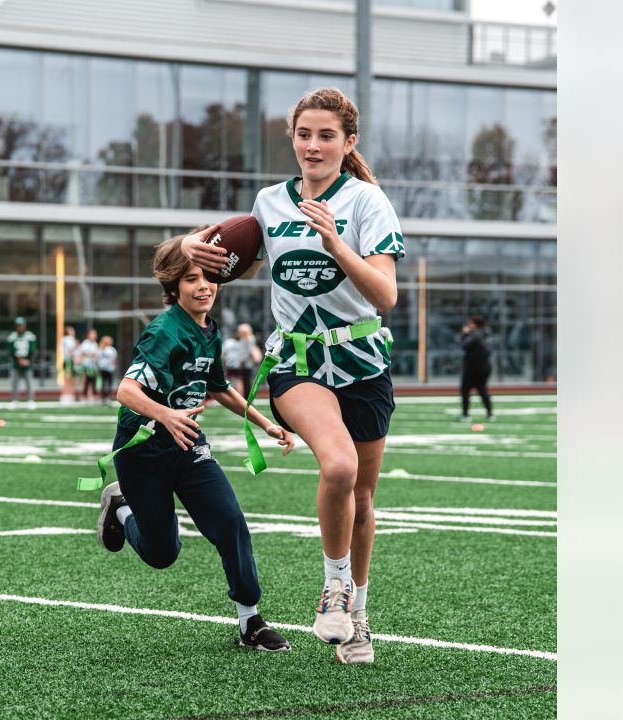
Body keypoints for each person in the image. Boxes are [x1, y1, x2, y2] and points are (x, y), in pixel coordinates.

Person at [182, 87, 403, 664]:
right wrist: (189, 248)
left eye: (326, 135)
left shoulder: (367, 202)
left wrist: (335, 243)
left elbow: (385, 294)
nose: (313, 145)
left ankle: (357, 617)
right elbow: (225, 263)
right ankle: (334, 586)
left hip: (363, 363)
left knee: (362, 494)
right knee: (339, 465)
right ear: (293, 138)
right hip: (297, 363)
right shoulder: (269, 203)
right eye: (304, 134)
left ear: (347, 142)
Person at [94, 230, 297, 651]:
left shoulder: (209, 329)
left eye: (208, 277)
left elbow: (219, 387)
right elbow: (127, 392)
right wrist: (165, 414)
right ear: (174, 287)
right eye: (190, 279)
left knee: (230, 523)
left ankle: (250, 622)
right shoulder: (164, 331)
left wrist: (265, 423)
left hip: (188, 445)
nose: (202, 286)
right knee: (161, 554)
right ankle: (121, 507)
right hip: (143, 448)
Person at [460, 316, 494, 422]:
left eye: (471, 323)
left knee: (465, 390)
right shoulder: (487, 333)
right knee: (482, 389)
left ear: (475, 324)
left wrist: (465, 334)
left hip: (473, 366)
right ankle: (489, 414)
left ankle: (465, 414)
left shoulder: (475, 334)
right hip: (485, 365)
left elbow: (465, 345)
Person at [6, 317, 38, 410]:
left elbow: (33, 350)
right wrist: (18, 360)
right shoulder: (12, 336)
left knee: (29, 383)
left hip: (27, 363)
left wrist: (27, 360)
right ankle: (15, 400)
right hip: (16, 364)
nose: (20, 327)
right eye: (18, 325)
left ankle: (30, 400)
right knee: (14, 383)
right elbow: (10, 351)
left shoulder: (30, 336)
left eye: (22, 325)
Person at [220, 323, 254, 397]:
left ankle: (239, 398)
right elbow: (222, 354)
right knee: (232, 382)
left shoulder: (249, 341)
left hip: (242, 366)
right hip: (232, 365)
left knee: (239, 382)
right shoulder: (229, 342)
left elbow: (254, 355)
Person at [76, 329, 99, 402]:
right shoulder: (85, 343)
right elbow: (84, 352)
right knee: (87, 380)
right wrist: (92, 354)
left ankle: (92, 395)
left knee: (93, 380)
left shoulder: (95, 343)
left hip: (93, 365)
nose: (94, 335)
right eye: (92, 334)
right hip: (87, 365)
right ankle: (84, 395)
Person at [95, 335, 118, 403]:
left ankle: (106, 396)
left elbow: (113, 359)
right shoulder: (102, 349)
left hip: (108, 368)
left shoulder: (111, 349)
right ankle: (104, 396)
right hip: (103, 368)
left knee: (107, 382)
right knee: (105, 382)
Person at [60, 325, 79, 403]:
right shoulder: (70, 339)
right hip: (69, 360)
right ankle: (69, 395)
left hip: (66, 360)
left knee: (67, 378)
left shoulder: (63, 339)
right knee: (70, 379)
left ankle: (67, 395)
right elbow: (70, 349)